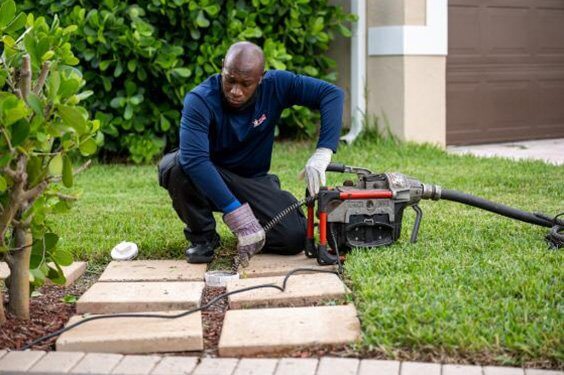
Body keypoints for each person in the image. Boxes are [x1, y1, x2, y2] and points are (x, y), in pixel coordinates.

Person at [158, 41, 344, 265]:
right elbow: (194, 160)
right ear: (222, 69)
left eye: (246, 84)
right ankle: (203, 238)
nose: (236, 91)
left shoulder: (277, 85)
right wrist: (239, 218)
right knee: (176, 166)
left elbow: (331, 94)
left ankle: (255, 234)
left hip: (251, 180)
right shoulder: (200, 100)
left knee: (293, 238)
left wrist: (323, 151)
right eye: (230, 80)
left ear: (261, 78)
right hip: (208, 176)